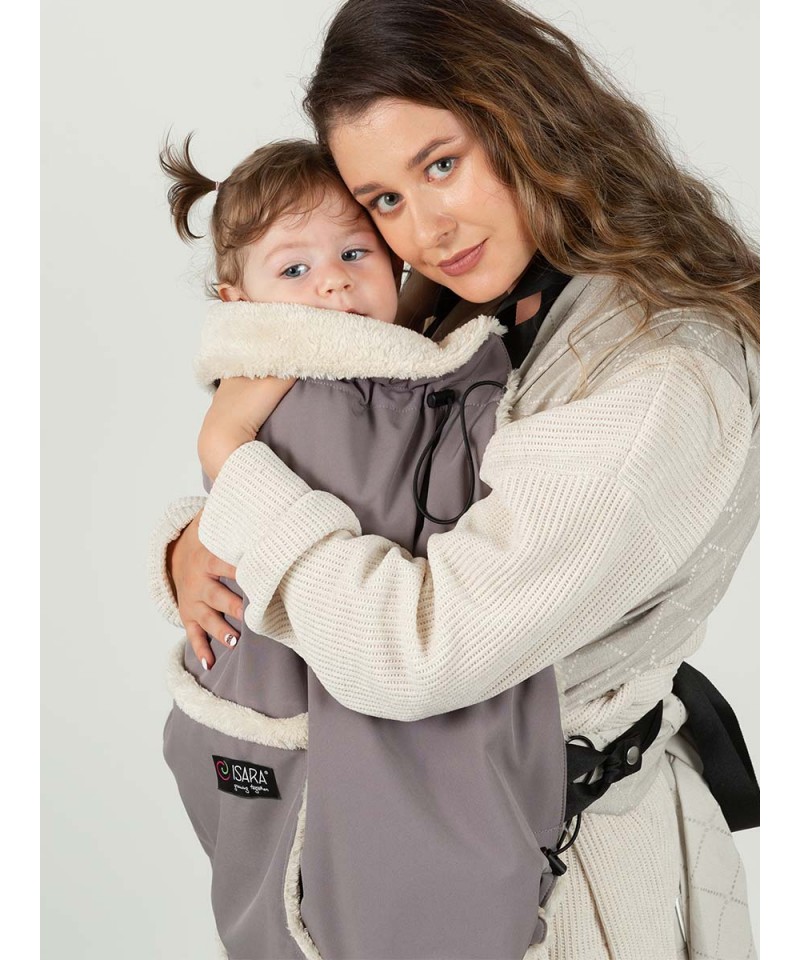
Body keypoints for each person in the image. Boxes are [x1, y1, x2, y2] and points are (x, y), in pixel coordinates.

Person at [150, 1, 759, 958]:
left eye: (441, 164)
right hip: (396, 839)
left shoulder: (656, 374)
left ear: (530, 119)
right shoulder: (459, 300)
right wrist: (195, 545)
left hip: (571, 880)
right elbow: (360, 489)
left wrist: (231, 456)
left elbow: (418, 653)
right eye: (384, 200)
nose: (425, 230)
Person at [158, 135, 566, 960]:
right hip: (272, 706)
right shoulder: (281, 386)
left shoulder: (422, 379)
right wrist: (187, 542)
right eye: (295, 269)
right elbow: (256, 505)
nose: (334, 283)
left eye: (354, 253)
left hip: (371, 695)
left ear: (396, 264)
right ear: (241, 301)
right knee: (285, 896)